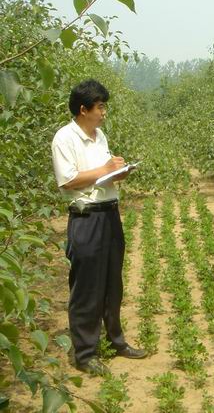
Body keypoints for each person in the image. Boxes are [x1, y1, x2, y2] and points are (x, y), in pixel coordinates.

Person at [51, 79, 146, 376]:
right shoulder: (64, 138)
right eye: (100, 107)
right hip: (86, 218)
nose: (104, 112)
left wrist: (118, 172)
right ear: (83, 109)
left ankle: (116, 341)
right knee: (87, 287)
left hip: (109, 215)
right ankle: (85, 353)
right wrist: (104, 170)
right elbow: (68, 180)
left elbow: (102, 175)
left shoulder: (99, 136)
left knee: (112, 283)